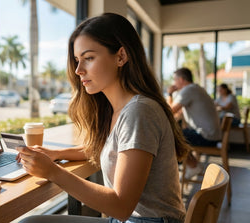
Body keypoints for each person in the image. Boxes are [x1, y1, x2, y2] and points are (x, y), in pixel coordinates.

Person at [17, 13, 189, 223]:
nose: (79, 70)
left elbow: (121, 206)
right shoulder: (123, 108)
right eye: (77, 60)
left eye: (89, 58)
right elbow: (113, 149)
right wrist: (56, 154)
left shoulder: (139, 112)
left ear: (121, 56)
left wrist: (53, 172)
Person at [167, 68, 221, 179]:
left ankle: (193, 166)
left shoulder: (188, 90)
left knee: (170, 135)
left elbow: (169, 111)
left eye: (175, 80)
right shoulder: (196, 89)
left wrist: (169, 94)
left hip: (206, 137)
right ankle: (193, 164)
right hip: (213, 135)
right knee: (178, 133)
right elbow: (179, 112)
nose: (174, 83)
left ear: (181, 79)